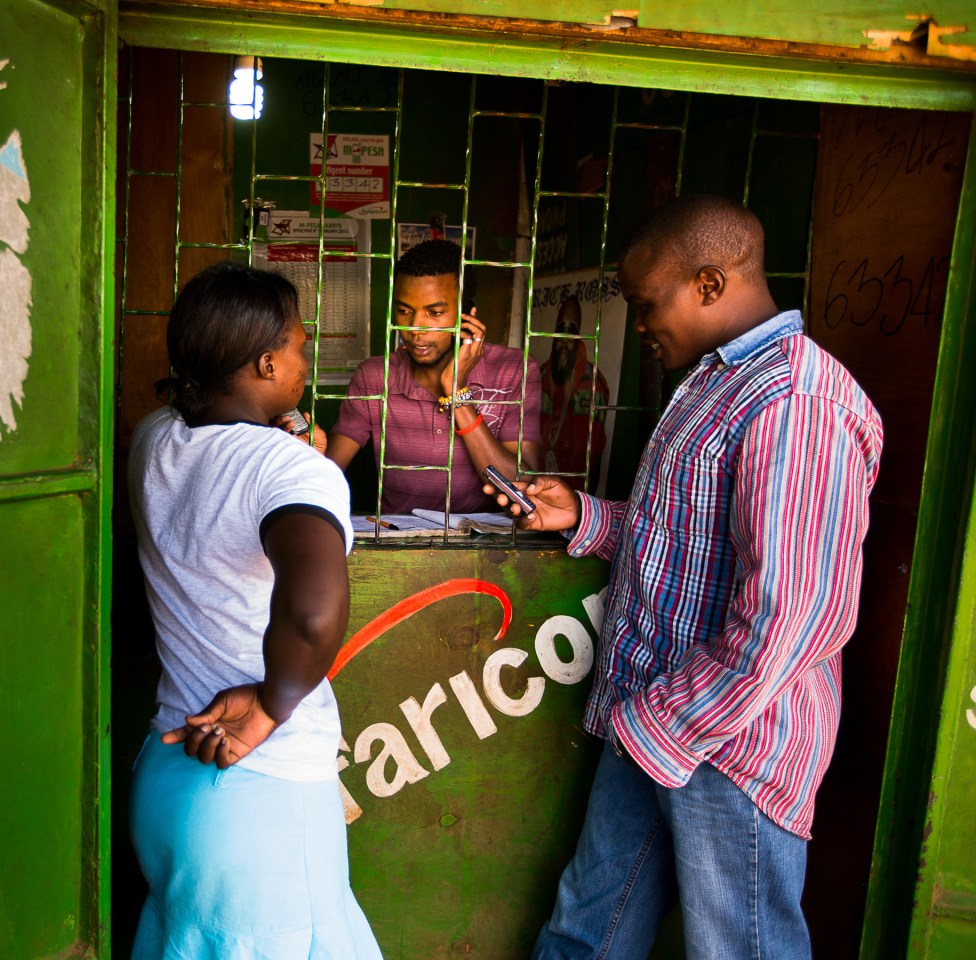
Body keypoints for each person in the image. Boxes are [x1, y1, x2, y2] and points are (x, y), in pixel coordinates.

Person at [493, 195, 883, 959]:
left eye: (647, 304)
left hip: (729, 748)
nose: (639, 325)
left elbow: (793, 613)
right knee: (583, 932)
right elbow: (683, 541)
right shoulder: (713, 384)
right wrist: (584, 516)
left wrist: (664, 723)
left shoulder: (795, 400)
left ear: (709, 283)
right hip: (653, 722)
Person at [127, 262, 383, 959]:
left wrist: (283, 444)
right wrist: (271, 704)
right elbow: (312, 614)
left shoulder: (154, 439)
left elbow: (223, 464)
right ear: (267, 361)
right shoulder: (290, 471)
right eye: (300, 345)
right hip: (257, 795)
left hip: (169, 771)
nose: (305, 361)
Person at [323, 239, 541, 514]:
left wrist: (456, 391)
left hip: (489, 549)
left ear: (468, 317)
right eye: (404, 311)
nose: (415, 328)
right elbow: (328, 471)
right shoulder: (375, 376)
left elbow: (524, 484)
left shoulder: (514, 371)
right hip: (399, 542)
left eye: (434, 313)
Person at [540, 296, 610, 491]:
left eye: (572, 331)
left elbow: (587, 449)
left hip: (573, 489)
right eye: (561, 330)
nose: (565, 340)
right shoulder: (541, 374)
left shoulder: (591, 382)